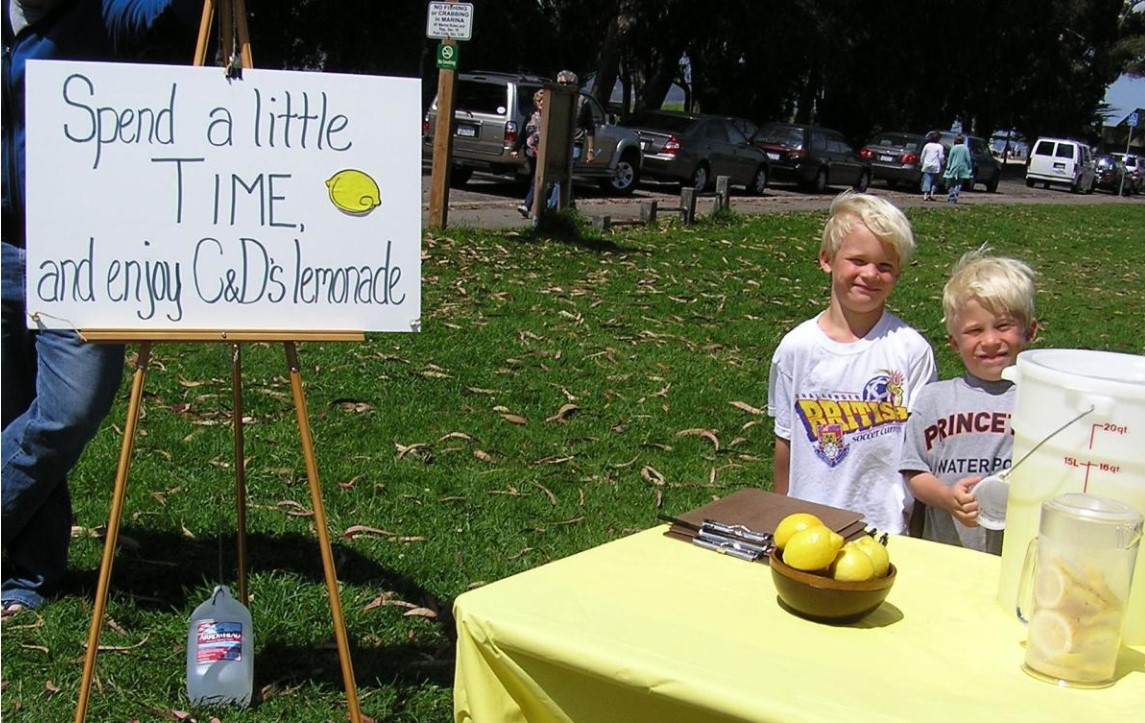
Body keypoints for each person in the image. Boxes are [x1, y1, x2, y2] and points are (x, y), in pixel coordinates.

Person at [2, 0, 198, 618]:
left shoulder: (106, 14)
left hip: (82, 247)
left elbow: (179, 12)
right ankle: (27, 577)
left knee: (68, 411)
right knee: (15, 416)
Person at [767, 192, 937, 534]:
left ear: (898, 274)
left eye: (884, 266)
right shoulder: (796, 349)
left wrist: (918, 539)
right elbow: (785, 443)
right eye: (857, 261)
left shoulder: (912, 351)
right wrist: (779, 519)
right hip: (807, 526)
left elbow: (919, 456)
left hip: (884, 529)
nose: (870, 274)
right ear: (827, 260)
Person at [900, 249, 1037, 554]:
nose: (990, 341)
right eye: (974, 331)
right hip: (947, 552)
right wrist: (946, 496)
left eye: (1003, 326)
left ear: (1030, 330)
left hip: (1017, 554)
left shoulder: (1043, 401)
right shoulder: (934, 398)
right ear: (954, 342)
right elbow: (914, 471)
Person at [511, 88, 544, 217]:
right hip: (531, 152)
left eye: (544, 101)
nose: (541, 103)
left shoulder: (549, 117)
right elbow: (522, 134)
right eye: (539, 100)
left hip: (543, 153)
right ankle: (540, 204)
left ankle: (527, 204)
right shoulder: (530, 116)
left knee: (537, 178)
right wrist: (516, 149)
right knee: (533, 177)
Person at [556, 70, 596, 164]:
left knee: (567, 172)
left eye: (569, 83)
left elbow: (590, 127)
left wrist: (590, 150)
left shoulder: (582, 102)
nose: (565, 85)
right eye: (562, 83)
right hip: (556, 143)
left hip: (575, 143)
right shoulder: (553, 99)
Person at [943, 134, 972, 203]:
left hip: (954, 167)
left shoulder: (954, 148)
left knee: (952, 183)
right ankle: (955, 193)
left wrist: (948, 167)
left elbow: (950, 158)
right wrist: (969, 168)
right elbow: (968, 159)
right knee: (959, 183)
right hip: (962, 168)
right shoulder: (965, 148)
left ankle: (951, 196)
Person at [919, 131, 945, 201]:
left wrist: (922, 163)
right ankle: (932, 194)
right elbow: (941, 157)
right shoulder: (940, 146)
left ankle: (925, 195)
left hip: (927, 164)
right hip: (935, 165)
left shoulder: (927, 145)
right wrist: (943, 163)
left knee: (927, 179)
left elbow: (923, 155)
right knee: (934, 181)